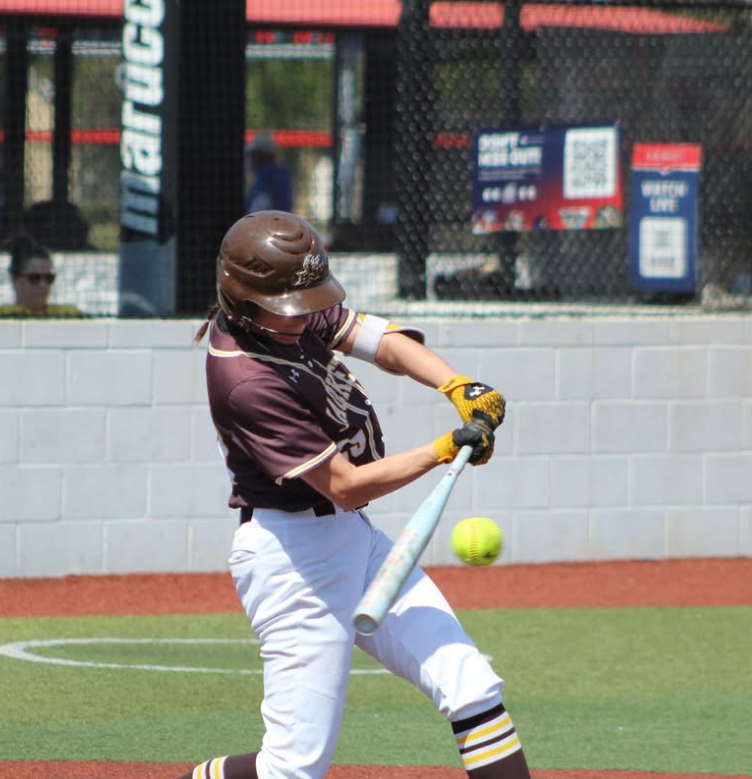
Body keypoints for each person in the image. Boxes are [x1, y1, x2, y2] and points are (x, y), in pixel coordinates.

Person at [184, 210, 529, 779]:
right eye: (290, 306)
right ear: (242, 301)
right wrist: (442, 448)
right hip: (295, 562)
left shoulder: (283, 311)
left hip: (354, 541)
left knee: (468, 682)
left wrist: (455, 385)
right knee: (293, 768)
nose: (306, 316)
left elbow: (380, 340)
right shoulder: (245, 378)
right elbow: (343, 486)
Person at [0, 233, 87, 318]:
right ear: (14, 278)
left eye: (49, 278)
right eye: (34, 278)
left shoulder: (70, 315)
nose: (43, 285)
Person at [245, 132, 294, 214]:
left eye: (253, 155)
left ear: (261, 155)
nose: (250, 159)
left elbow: (256, 208)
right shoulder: (281, 173)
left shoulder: (267, 176)